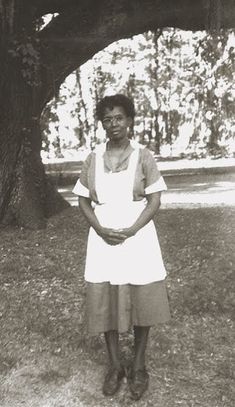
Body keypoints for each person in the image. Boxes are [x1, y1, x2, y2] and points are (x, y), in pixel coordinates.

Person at [73, 94, 170, 400]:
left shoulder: (144, 156)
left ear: (129, 121)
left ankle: (138, 366)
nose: (113, 124)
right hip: (103, 239)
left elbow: (154, 199)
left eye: (119, 118)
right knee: (105, 302)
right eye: (107, 119)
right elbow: (83, 199)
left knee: (142, 300)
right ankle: (115, 365)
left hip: (137, 237)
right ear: (102, 123)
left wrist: (132, 229)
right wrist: (100, 228)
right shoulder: (93, 158)